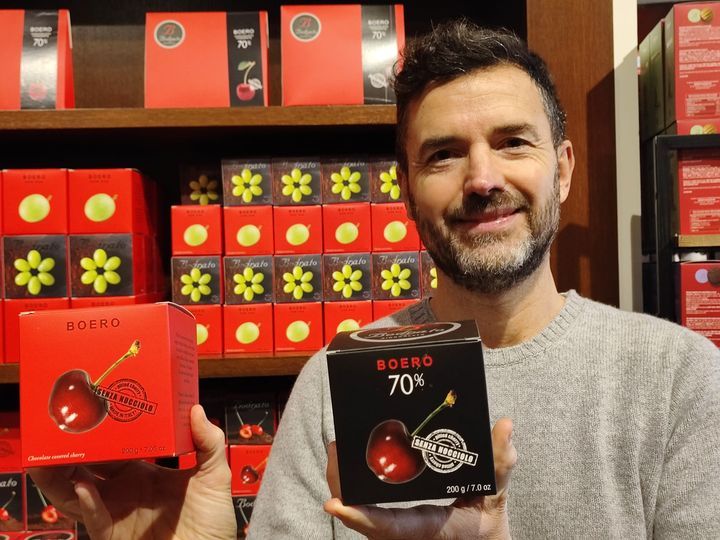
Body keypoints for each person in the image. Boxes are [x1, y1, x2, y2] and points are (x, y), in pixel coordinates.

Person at [29, 19, 720, 540]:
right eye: (444, 155)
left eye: (513, 142)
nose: (483, 179)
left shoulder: (677, 377)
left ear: (562, 168)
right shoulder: (336, 382)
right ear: (406, 190)